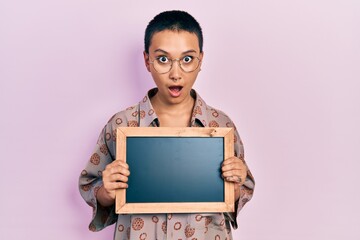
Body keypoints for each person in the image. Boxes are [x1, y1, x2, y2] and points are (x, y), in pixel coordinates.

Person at [79, 10, 255, 240]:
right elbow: (90, 185)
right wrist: (106, 191)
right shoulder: (122, 124)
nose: (175, 73)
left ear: (200, 61)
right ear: (147, 60)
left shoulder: (221, 125)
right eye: (163, 59)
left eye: (187, 59)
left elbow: (240, 192)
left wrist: (236, 182)